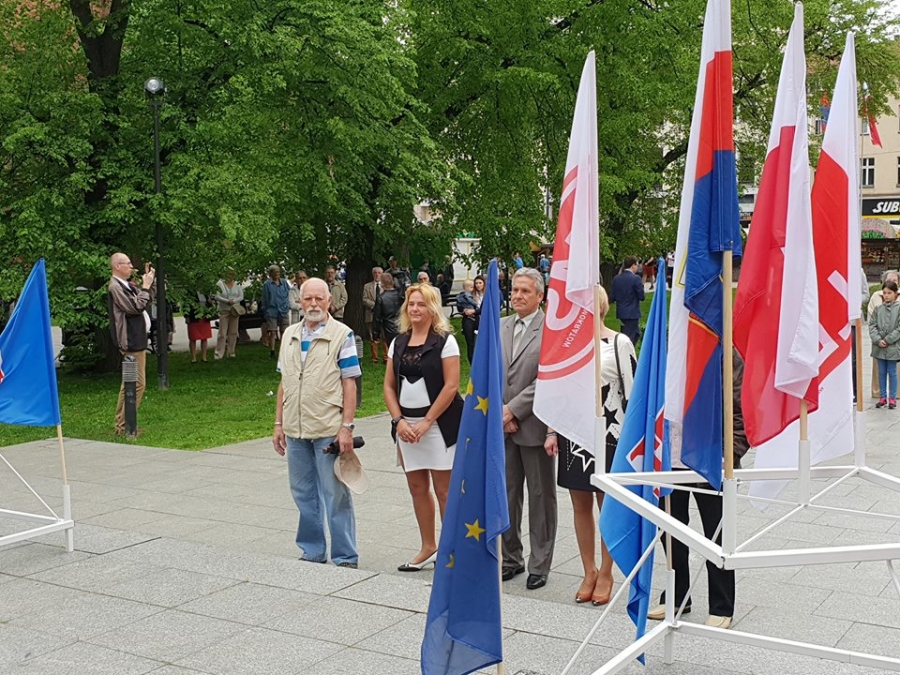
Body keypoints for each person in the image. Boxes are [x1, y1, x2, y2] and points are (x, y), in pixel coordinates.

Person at [544, 286, 635, 606]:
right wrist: (551, 431)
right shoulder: (567, 345)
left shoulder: (619, 343)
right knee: (580, 503)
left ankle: (607, 572)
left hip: (611, 433)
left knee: (606, 504)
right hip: (574, 432)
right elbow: (557, 391)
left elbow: (633, 394)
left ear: (601, 306)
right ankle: (589, 570)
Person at [648, 348, 748, 630]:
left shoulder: (723, 352)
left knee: (716, 533)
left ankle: (721, 604)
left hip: (711, 459)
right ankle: (677, 595)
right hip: (669, 457)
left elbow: (740, 408)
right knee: (670, 529)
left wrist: (731, 453)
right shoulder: (668, 348)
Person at [273, 277, 361, 567]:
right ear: (300, 301)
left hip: (328, 428)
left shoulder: (342, 335)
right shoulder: (289, 334)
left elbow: (350, 383)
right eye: (308, 298)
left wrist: (347, 427)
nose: (313, 304)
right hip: (295, 429)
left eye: (319, 299)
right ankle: (312, 550)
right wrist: (278, 424)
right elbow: (285, 382)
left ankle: (345, 555)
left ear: (329, 301)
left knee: (335, 493)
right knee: (303, 492)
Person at [384, 283, 464, 572]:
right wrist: (399, 421)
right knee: (417, 487)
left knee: (445, 491)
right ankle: (429, 547)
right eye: (411, 304)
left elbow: (451, 386)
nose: (415, 309)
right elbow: (389, 386)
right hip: (407, 427)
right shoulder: (398, 342)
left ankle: (452, 550)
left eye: (421, 304)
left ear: (432, 308)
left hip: (439, 426)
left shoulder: (445, 341)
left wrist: (428, 421)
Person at [500, 268, 556, 590]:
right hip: (502, 427)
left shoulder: (550, 329)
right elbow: (490, 371)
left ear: (540, 296)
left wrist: (513, 409)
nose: (518, 296)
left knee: (540, 497)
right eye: (515, 290)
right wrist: (501, 413)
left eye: (525, 291)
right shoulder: (501, 326)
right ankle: (511, 558)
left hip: (535, 426)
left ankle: (539, 563)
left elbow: (547, 377)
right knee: (507, 495)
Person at [107, 253, 154, 435]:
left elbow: (145, 300)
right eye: (128, 263)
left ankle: (123, 423)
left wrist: (149, 283)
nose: (131, 266)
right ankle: (124, 425)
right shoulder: (115, 287)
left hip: (137, 339)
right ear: (117, 266)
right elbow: (135, 307)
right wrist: (145, 287)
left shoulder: (126, 285)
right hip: (130, 341)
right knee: (136, 384)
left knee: (130, 383)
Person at [868, 270, 899, 399]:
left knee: (893, 371)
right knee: (880, 371)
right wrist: (877, 339)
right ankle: (881, 395)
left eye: (895, 280)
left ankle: (893, 396)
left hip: (894, 344)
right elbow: (871, 323)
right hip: (878, 344)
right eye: (884, 293)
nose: (886, 295)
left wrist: (889, 339)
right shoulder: (877, 303)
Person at [610, 256, 645, 346]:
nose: (637, 267)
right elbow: (641, 296)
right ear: (633, 265)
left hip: (621, 311)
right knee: (629, 337)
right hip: (632, 313)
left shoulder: (616, 278)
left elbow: (612, 297)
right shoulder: (636, 278)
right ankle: (626, 352)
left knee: (635, 333)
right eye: (637, 265)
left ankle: (627, 349)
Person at [213, 269, 243, 359]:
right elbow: (216, 296)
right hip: (224, 310)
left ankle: (231, 352)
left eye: (232, 274)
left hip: (235, 310)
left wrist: (234, 301)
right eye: (229, 274)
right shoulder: (219, 284)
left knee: (233, 332)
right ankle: (219, 353)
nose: (231, 276)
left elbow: (241, 296)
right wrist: (227, 301)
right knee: (222, 333)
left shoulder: (237, 284)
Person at [262, 264, 290, 358]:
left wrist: (287, 305)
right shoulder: (267, 284)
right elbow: (265, 299)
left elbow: (288, 294)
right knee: (273, 332)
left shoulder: (284, 282)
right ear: (270, 274)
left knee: (284, 331)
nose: (277, 274)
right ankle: (272, 352)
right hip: (272, 310)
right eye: (275, 272)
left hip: (283, 309)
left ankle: (283, 351)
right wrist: (266, 311)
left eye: (278, 272)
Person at [373, 273, 402, 358]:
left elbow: (377, 318)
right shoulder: (400, 295)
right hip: (402, 325)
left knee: (393, 352)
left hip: (389, 328)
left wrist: (375, 335)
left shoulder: (381, 298)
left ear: (382, 284)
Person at [185, 290, 214, 363]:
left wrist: (210, 303)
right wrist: (186, 316)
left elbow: (209, 305)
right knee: (193, 338)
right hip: (194, 318)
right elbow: (186, 305)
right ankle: (193, 358)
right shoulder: (190, 292)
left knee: (204, 338)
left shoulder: (205, 292)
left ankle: (204, 357)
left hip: (204, 317)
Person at [456, 279, 480, 364]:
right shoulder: (466, 296)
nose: (473, 288)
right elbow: (460, 308)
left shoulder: (475, 295)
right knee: (470, 343)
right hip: (468, 320)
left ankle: (476, 360)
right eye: (471, 287)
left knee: (476, 342)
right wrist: (465, 311)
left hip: (476, 319)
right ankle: (472, 361)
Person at [363, 267, 383, 364]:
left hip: (383, 315)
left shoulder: (386, 286)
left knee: (384, 336)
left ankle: (386, 358)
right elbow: (364, 299)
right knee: (372, 336)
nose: (377, 274)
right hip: (371, 314)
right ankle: (374, 358)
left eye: (379, 273)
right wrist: (375, 305)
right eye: (375, 273)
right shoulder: (367, 286)